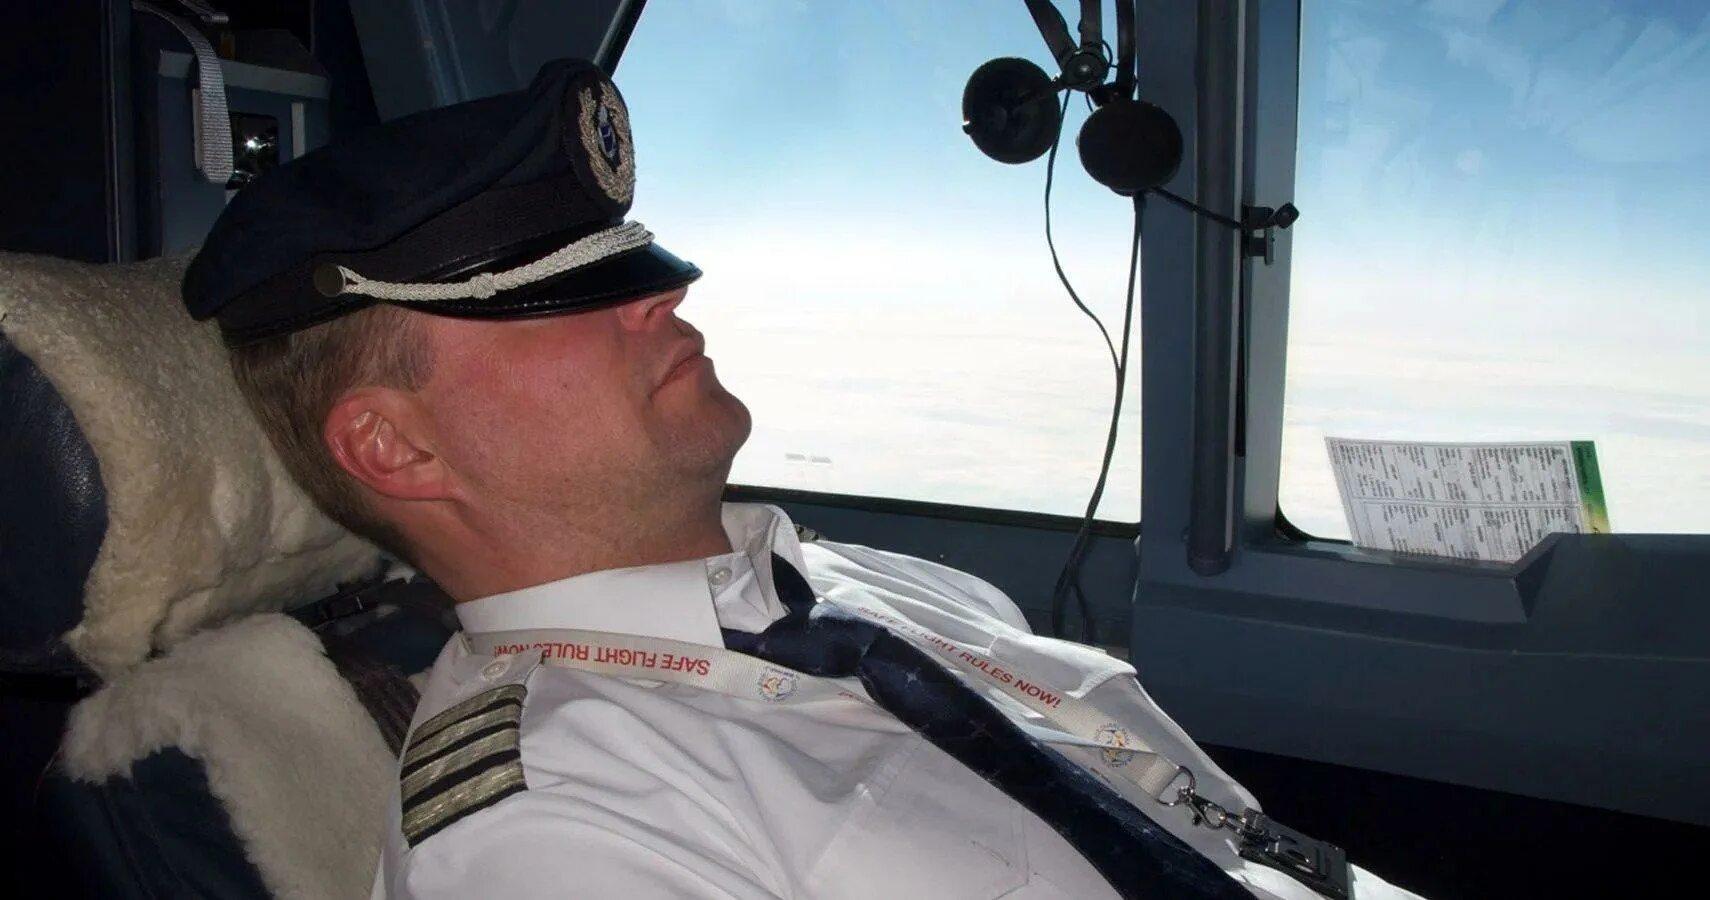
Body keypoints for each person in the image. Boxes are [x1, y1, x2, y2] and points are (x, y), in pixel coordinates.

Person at [185, 59, 1422, 900]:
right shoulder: (548, 829)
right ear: (396, 448)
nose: (665, 293)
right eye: (548, 295)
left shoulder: (855, 586)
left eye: (623, 262)